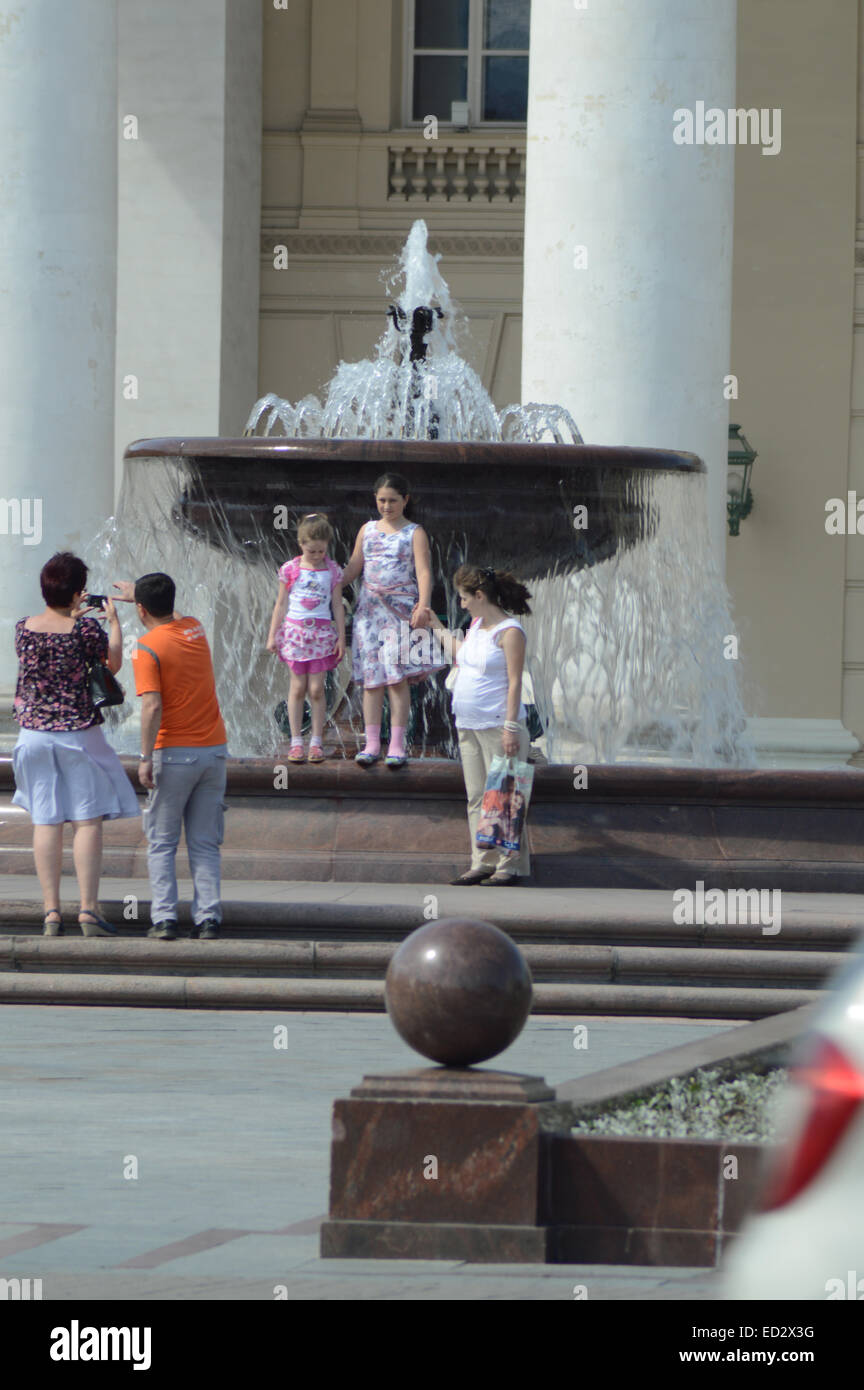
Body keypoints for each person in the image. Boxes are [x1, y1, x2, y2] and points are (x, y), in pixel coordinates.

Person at [11, 551, 139, 936]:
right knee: (86, 821)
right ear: (78, 592)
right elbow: (112, 665)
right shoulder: (84, 631)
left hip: (32, 736)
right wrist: (113, 622)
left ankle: (51, 911)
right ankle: (87, 909)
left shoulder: (22, 627)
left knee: (46, 821)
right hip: (76, 733)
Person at [115, 573, 228, 941]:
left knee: (162, 842)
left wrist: (145, 757)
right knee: (205, 842)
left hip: (174, 754)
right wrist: (144, 597)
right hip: (214, 752)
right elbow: (171, 613)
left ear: (141, 609)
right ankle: (208, 918)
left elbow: (151, 706)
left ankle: (164, 918)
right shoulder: (194, 628)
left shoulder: (146, 648)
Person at [425, 564, 533, 885]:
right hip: (468, 725)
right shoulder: (475, 625)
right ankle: (481, 861)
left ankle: (508, 866)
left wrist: (511, 728)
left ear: (480, 595)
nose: (461, 604)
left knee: (503, 794)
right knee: (477, 796)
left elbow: (515, 683)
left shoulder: (510, 632)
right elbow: (461, 654)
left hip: (499, 726)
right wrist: (434, 625)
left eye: (463, 598)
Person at [340, 472, 443, 767]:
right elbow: (355, 565)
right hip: (369, 613)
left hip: (400, 612)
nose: (387, 506)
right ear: (375, 499)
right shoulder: (367, 530)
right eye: (382, 500)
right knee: (372, 681)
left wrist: (423, 605)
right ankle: (371, 743)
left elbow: (423, 571)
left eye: (393, 500)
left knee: (397, 680)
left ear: (405, 500)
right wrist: (329, 578)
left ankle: (397, 745)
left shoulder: (414, 532)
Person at [265, 512, 345, 762]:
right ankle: (296, 741)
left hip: (320, 634)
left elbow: (338, 605)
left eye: (321, 551)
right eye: (312, 552)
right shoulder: (290, 569)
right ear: (301, 545)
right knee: (298, 688)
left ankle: (317, 741)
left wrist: (341, 637)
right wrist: (272, 635)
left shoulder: (332, 570)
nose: (318, 556)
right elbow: (280, 604)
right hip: (295, 634)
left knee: (317, 689)